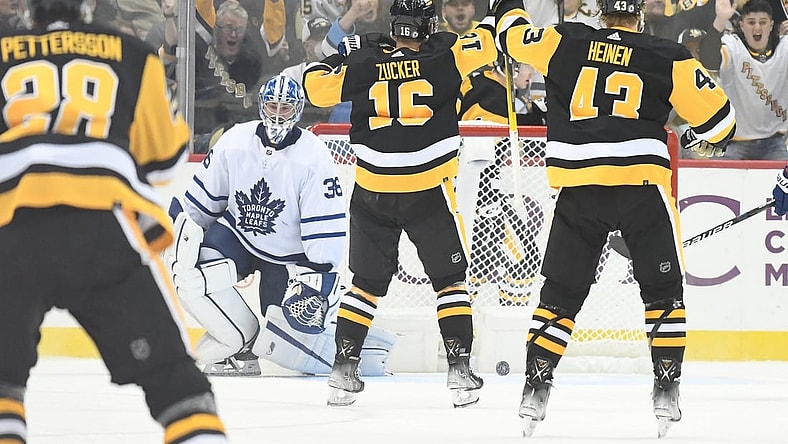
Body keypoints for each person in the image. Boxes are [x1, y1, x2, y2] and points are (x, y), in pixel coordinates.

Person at [492, 0, 736, 436]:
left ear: (600, 14)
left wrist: (507, 5)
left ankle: (535, 387)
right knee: (663, 295)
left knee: (560, 297)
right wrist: (699, 137)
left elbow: (510, 34)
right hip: (640, 186)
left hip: (579, 187)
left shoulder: (564, 40)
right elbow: (722, 123)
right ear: (639, 16)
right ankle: (666, 389)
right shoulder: (669, 55)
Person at [0, 0, 229, 441]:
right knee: (175, 382)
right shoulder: (129, 53)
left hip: (12, 227)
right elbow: (165, 159)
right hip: (103, 229)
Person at [303, 0, 498, 408]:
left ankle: (343, 370)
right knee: (450, 281)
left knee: (365, 285)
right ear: (427, 24)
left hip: (372, 189)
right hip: (428, 189)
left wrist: (348, 52)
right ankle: (460, 371)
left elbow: (315, 85)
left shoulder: (363, 61)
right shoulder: (444, 57)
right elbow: (487, 45)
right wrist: (497, 14)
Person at [167, 74, 395, 378]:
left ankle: (365, 349)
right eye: (272, 105)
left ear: (298, 109)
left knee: (289, 340)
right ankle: (239, 346)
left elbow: (324, 228)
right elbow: (202, 202)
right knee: (195, 271)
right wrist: (182, 240)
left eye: (285, 107)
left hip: (287, 257)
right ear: (261, 105)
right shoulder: (235, 141)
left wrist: (320, 274)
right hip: (238, 235)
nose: (277, 113)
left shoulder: (313, 157)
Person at [698, 0, 788, 160]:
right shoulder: (733, 45)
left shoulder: (784, 47)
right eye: (751, 22)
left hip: (774, 142)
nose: (757, 28)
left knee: (781, 183)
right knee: (715, 178)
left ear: (771, 25)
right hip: (734, 143)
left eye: (763, 22)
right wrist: (719, 21)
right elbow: (708, 60)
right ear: (742, 25)